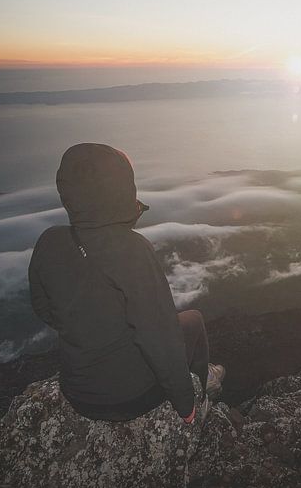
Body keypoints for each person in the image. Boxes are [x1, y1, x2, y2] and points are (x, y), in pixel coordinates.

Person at [28, 143, 225, 423]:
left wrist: (92, 329)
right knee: (192, 321)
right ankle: (203, 387)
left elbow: (43, 307)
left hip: (78, 392)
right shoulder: (132, 250)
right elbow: (161, 335)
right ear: (120, 188)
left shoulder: (49, 241)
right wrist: (185, 406)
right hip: (129, 398)